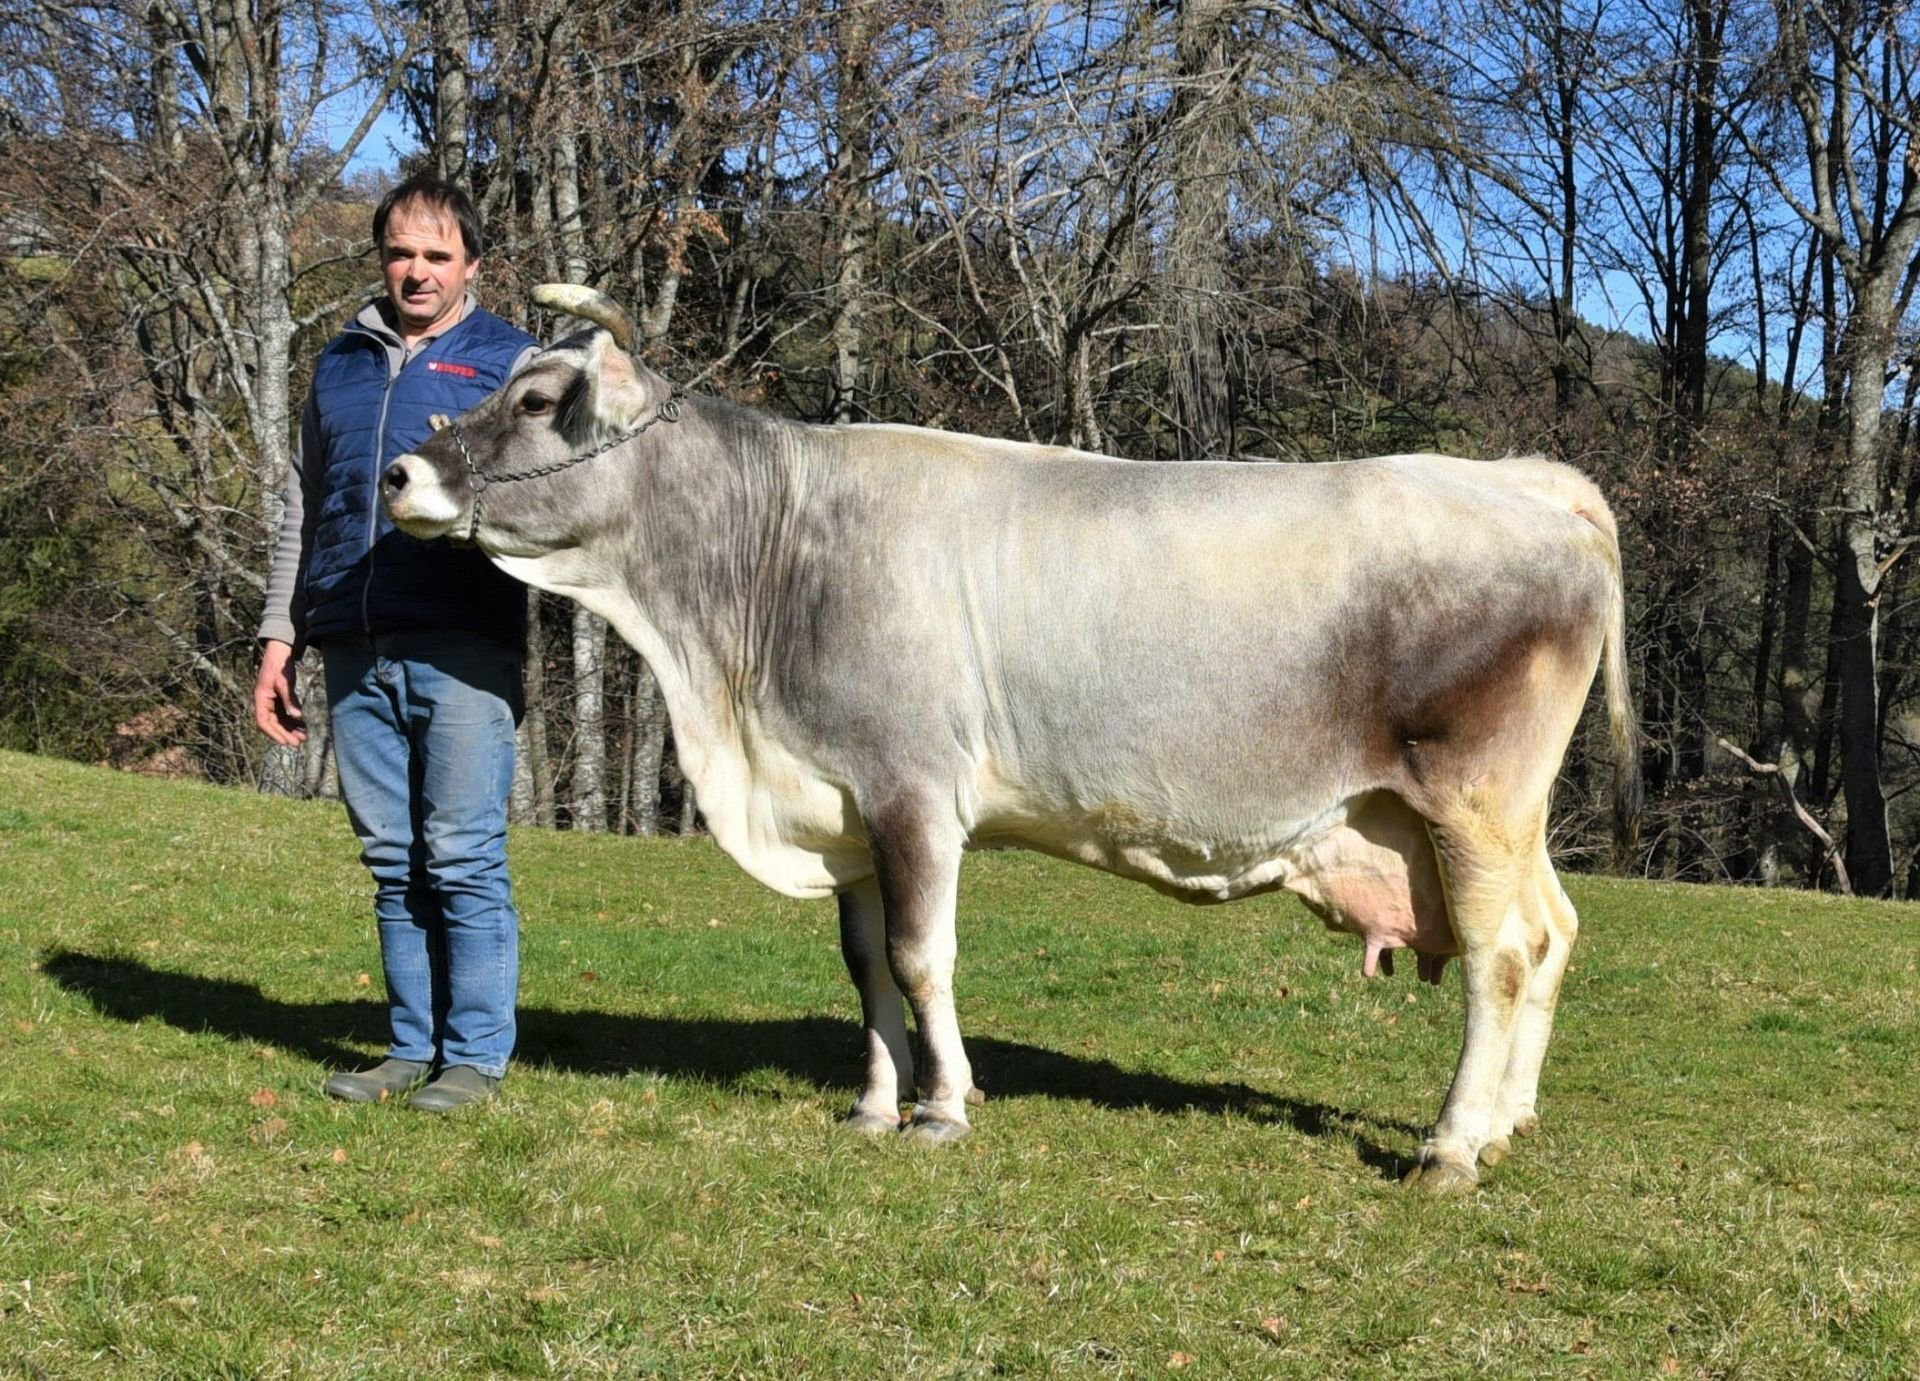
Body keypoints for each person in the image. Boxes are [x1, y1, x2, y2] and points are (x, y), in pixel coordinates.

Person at [252, 175, 539, 1113]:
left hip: (463, 637)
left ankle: (476, 1059)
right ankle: (408, 1048)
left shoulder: (513, 362)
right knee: (393, 859)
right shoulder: (339, 360)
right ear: (382, 257)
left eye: (437, 255)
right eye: (401, 253)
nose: (416, 272)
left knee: (461, 855)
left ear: (472, 266)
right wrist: (279, 634)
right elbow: (307, 498)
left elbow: (549, 494)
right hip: (349, 635)